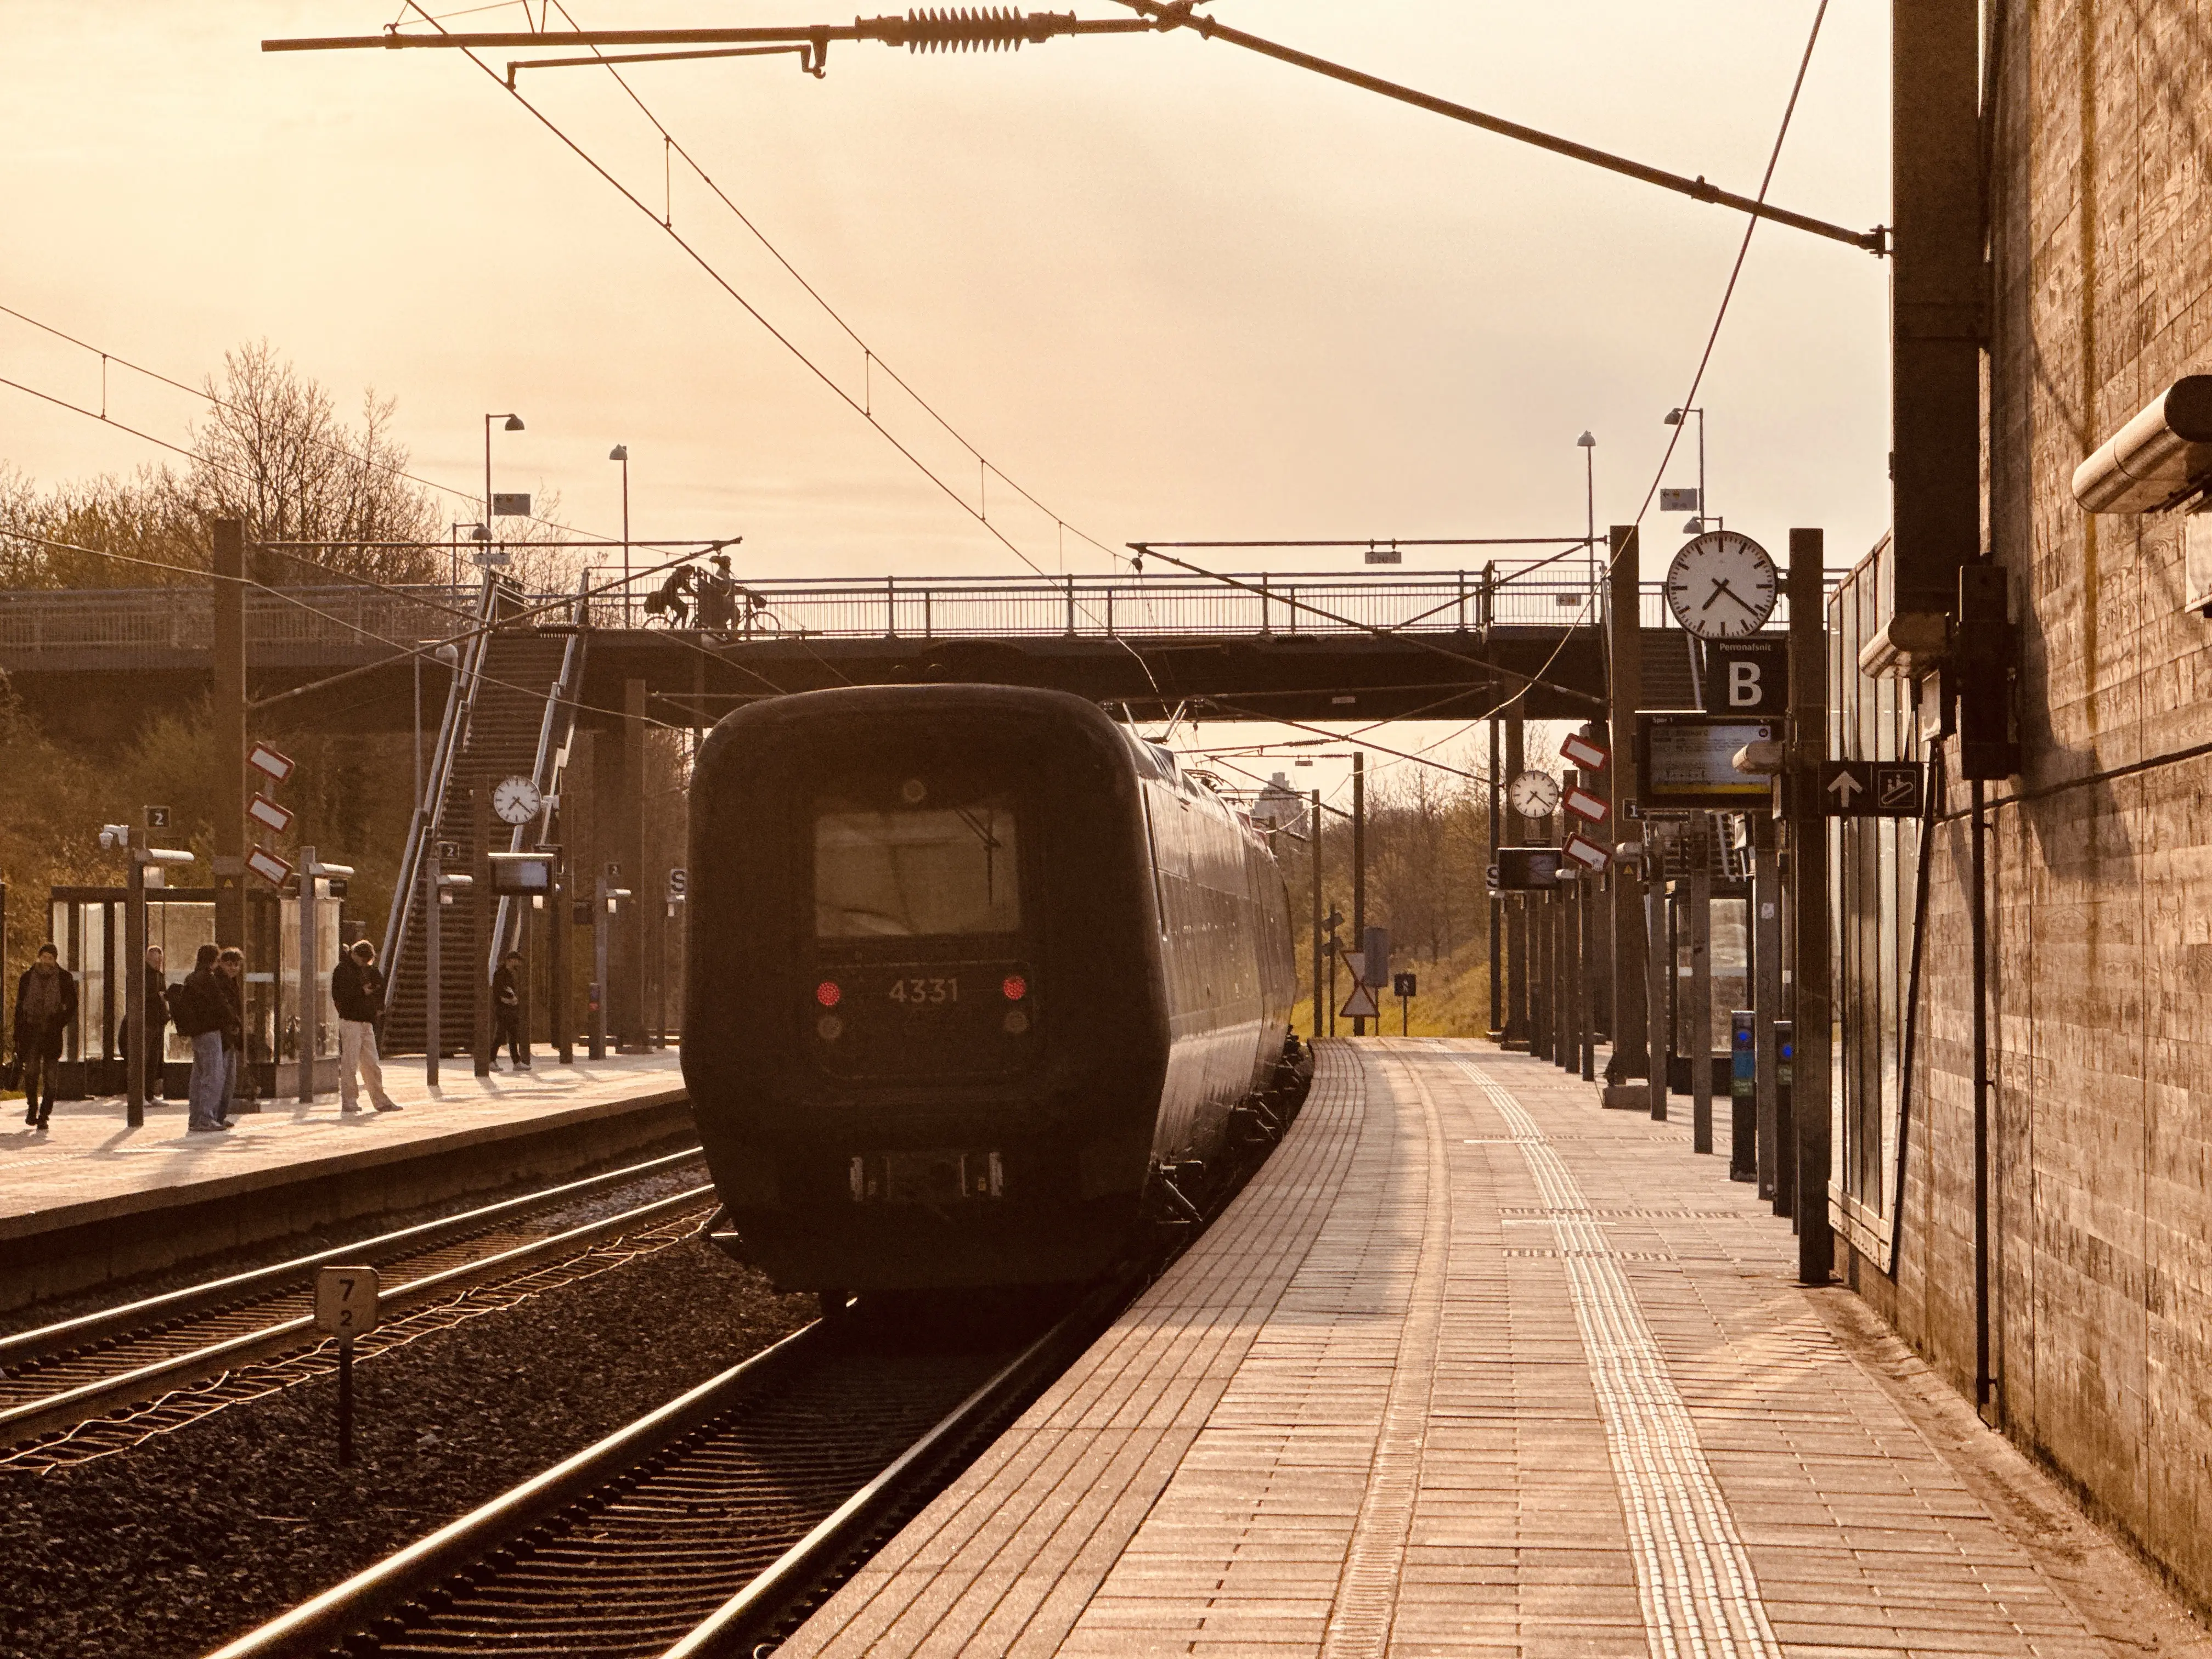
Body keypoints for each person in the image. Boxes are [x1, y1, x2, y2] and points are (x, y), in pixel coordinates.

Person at [14, 944, 78, 1132]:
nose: (46, 961)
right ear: (39, 957)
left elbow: (72, 1004)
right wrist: (17, 1036)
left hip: (51, 1034)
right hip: (31, 1034)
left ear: (55, 960)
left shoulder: (64, 979)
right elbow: (20, 1008)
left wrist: (59, 1021)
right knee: (32, 1073)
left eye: (50, 958)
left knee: (51, 1078)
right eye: (44, 957)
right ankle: (32, 1108)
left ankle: (44, 1115)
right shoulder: (27, 978)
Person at [331, 940, 400, 1114]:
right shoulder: (342, 971)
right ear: (355, 955)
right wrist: (362, 992)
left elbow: (380, 987)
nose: (365, 964)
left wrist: (377, 1006)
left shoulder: (370, 971)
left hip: (366, 1020)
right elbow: (340, 995)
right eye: (363, 960)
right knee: (350, 1062)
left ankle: (380, 1100)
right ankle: (349, 1101)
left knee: (372, 1063)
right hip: (351, 1021)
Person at [176, 944, 229, 1133]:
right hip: (210, 1032)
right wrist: (235, 1021)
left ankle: (195, 1118)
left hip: (197, 1034)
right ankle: (206, 1118)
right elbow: (220, 1003)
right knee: (213, 1075)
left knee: (198, 1077)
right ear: (213, 960)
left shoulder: (191, 979)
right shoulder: (208, 979)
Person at [116, 944, 169, 1103]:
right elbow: (140, 998)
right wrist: (158, 997)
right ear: (147, 959)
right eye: (155, 960)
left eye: (160, 961)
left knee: (153, 1060)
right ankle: (140, 1096)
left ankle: (149, 1094)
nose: (158, 964)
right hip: (146, 1022)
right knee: (143, 1060)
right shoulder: (141, 976)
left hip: (157, 1022)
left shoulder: (160, 976)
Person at [215, 948, 246, 1125]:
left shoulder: (232, 983)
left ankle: (220, 1116)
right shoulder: (220, 982)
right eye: (229, 965)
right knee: (222, 1079)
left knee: (229, 1079)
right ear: (221, 964)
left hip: (231, 1037)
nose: (233, 969)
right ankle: (216, 1116)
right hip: (223, 1037)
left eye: (237, 965)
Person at [492, 950, 529, 1071]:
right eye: (517, 960)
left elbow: (510, 991)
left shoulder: (510, 973)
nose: (518, 963)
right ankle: (491, 1060)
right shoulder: (500, 974)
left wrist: (514, 1000)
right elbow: (498, 992)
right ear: (510, 960)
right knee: (500, 1035)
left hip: (511, 1009)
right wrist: (507, 1001)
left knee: (514, 1035)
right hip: (503, 1009)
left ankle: (516, 1062)